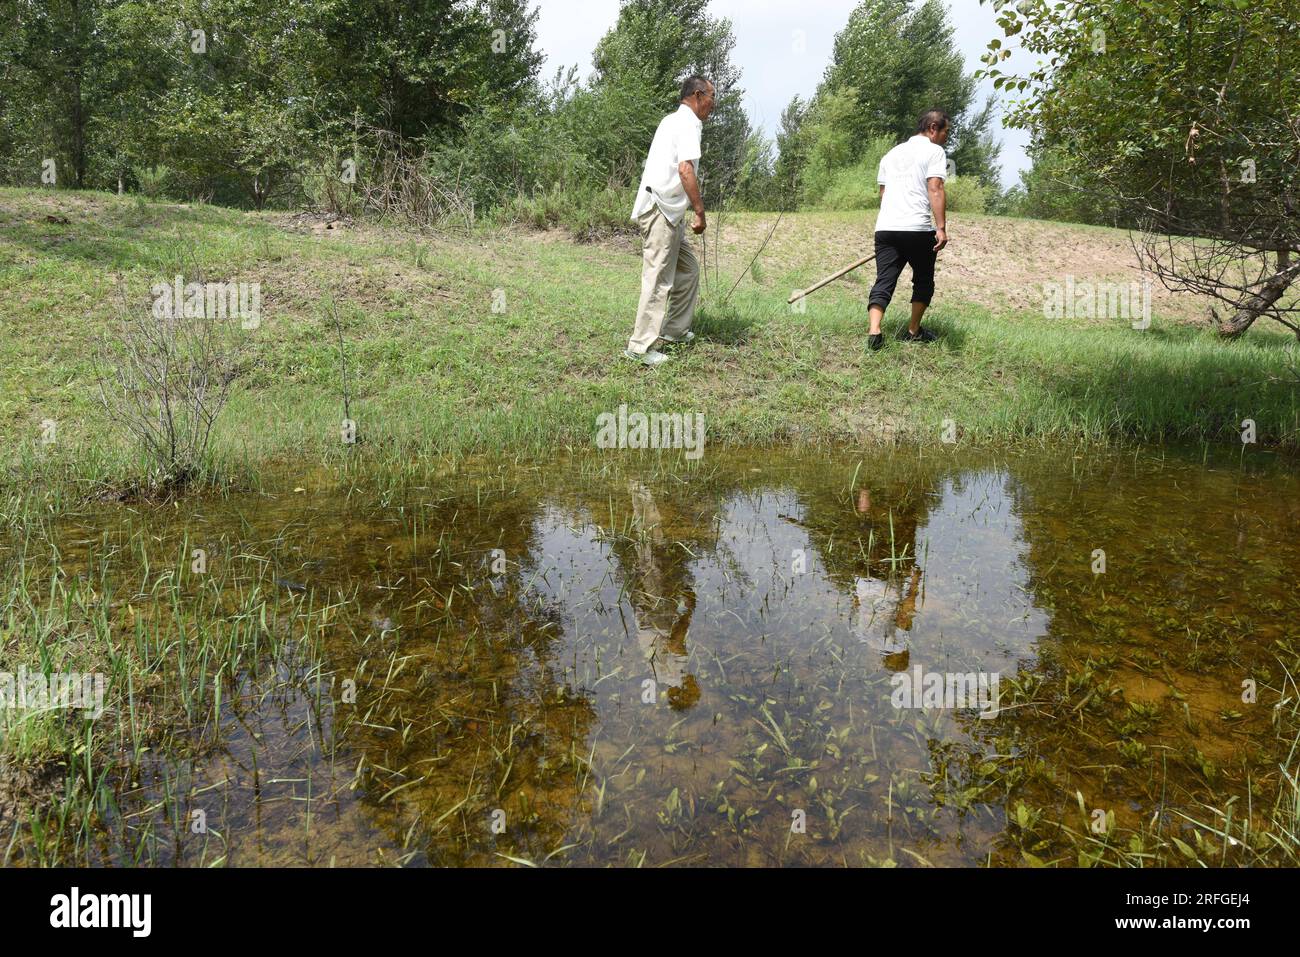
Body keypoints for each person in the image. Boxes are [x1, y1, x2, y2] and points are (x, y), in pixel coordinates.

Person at [624, 76, 715, 367]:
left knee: (687, 270)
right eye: (711, 96)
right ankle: (640, 347)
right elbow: (685, 169)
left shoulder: (673, 120)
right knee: (658, 278)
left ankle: (674, 330)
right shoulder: (687, 122)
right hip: (661, 212)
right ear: (698, 95)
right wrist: (699, 211)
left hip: (669, 213)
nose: (713, 103)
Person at [867, 109, 951, 352]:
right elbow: (935, 189)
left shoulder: (890, 154)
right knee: (923, 279)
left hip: (885, 228)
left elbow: (884, 194)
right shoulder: (934, 151)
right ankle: (914, 331)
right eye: (946, 131)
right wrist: (941, 228)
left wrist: (894, 226)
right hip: (918, 229)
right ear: (933, 128)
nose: (946, 137)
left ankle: (874, 330)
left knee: (885, 279)